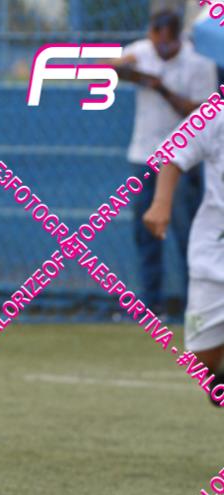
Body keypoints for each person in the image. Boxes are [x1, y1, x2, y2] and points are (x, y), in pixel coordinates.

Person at [114, 8, 217, 313]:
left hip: (183, 159)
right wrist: (134, 73)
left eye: (166, 43)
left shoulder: (198, 62)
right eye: (155, 40)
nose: (159, 49)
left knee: (188, 233)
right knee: (145, 232)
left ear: (177, 39)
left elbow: (202, 113)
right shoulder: (143, 51)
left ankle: (194, 305)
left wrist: (162, 89)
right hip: (144, 155)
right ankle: (151, 304)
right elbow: (108, 67)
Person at [143, 112, 224, 405]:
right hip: (214, 256)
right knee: (202, 361)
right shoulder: (215, 116)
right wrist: (161, 202)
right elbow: (173, 152)